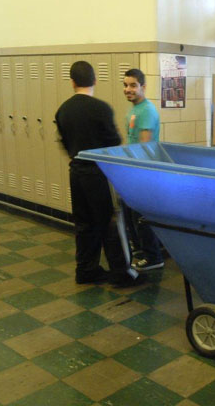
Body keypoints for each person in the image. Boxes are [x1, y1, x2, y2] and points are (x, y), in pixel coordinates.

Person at [55, 61, 140, 287]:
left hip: (77, 170)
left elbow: (64, 141)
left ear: (72, 82)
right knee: (109, 222)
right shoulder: (101, 108)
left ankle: (86, 270)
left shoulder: (63, 109)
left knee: (84, 224)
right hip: (98, 172)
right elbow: (113, 142)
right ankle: (121, 274)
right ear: (94, 80)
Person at [122, 68, 165, 271]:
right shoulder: (133, 110)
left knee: (141, 216)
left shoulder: (146, 110)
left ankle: (154, 257)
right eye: (125, 85)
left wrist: (134, 172)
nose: (128, 89)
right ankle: (142, 252)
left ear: (143, 87)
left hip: (142, 172)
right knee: (131, 215)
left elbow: (144, 146)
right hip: (133, 171)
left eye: (132, 85)